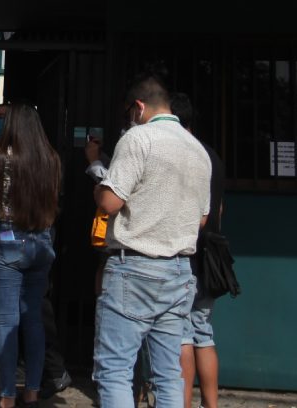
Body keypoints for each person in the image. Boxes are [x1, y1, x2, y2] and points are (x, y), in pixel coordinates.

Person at [93, 74, 212, 408]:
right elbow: (202, 218)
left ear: (139, 107)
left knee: (115, 370)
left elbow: (110, 202)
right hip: (179, 271)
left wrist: (99, 186)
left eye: (129, 112)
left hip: (134, 267)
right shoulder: (197, 149)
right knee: (169, 374)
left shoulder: (138, 138)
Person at [0, 103, 61, 408]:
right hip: (41, 240)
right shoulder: (50, 159)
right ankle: (32, 392)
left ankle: (7, 397)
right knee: (33, 319)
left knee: (6, 321)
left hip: (7, 238)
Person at [170, 94, 223, 408]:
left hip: (186, 255)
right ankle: (211, 404)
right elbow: (218, 209)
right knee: (204, 333)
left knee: (181, 335)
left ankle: (182, 403)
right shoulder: (212, 156)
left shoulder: (183, 153)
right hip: (211, 258)